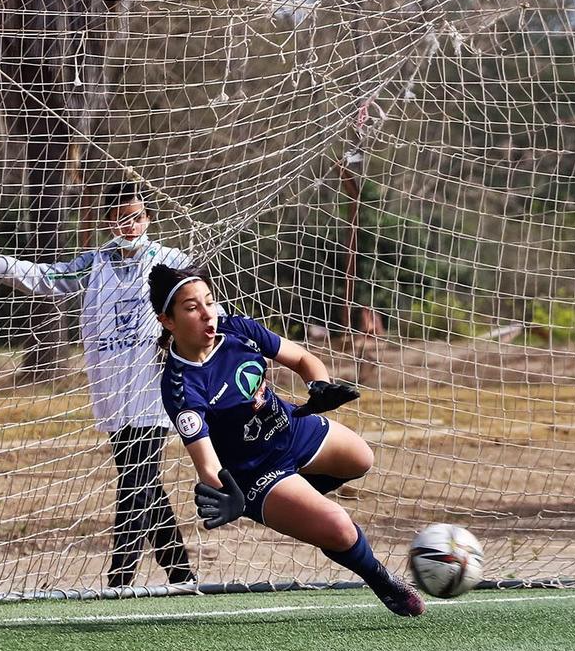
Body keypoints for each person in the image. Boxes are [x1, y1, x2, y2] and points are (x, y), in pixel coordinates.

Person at [148, 263, 425, 617]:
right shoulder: (180, 387)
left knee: (361, 458)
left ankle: (300, 504)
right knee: (339, 528)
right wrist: (230, 493)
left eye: (210, 301)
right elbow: (207, 464)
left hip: (291, 429)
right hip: (255, 472)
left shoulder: (236, 328)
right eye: (192, 308)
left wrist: (319, 386)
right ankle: (384, 583)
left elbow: (301, 357)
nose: (208, 314)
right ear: (167, 321)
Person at [0, 185, 196, 590]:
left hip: (153, 384)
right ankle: (180, 574)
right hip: (109, 386)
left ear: (149, 219)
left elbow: (201, 304)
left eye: (138, 216)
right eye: (123, 217)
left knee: (135, 479)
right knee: (142, 481)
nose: (131, 224)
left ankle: (118, 579)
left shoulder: (171, 263)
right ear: (110, 220)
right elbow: (48, 277)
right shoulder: (94, 264)